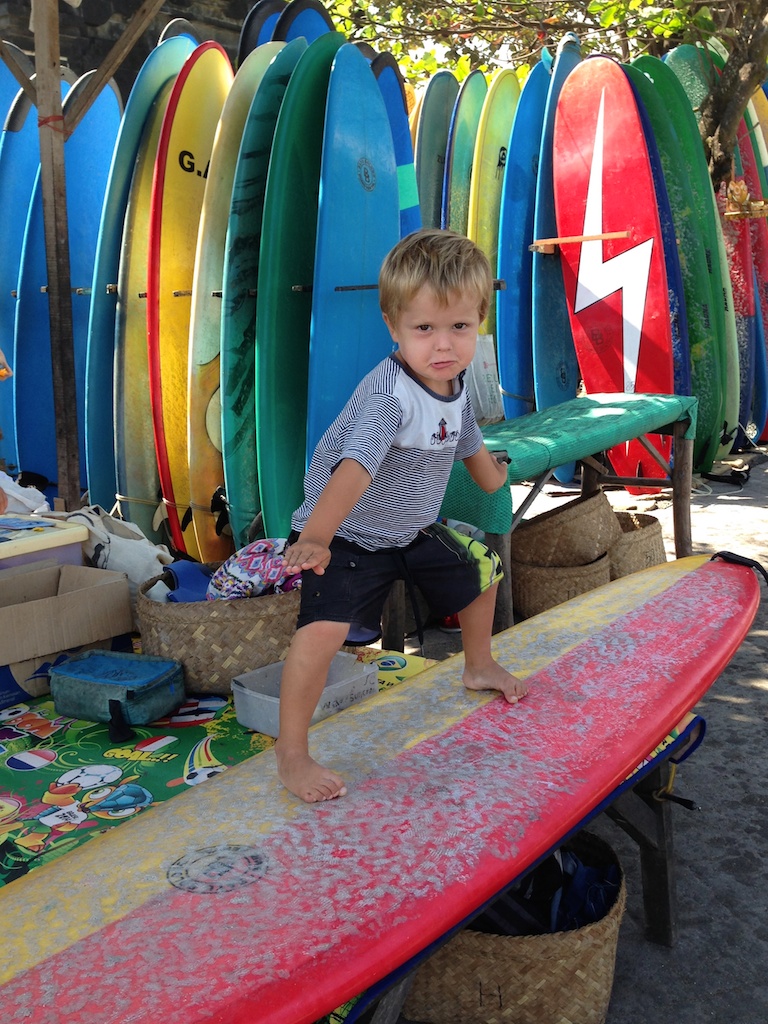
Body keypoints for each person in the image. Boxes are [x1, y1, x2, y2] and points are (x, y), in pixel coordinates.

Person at [277, 228, 527, 803]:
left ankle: (478, 664)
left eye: (459, 327)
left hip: (406, 531)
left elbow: (468, 441)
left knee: (482, 568)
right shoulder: (391, 396)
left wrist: (493, 475)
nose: (443, 346)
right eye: (424, 329)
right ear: (393, 327)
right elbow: (355, 468)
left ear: (479, 323)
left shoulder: (454, 381)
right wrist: (316, 536)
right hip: (343, 533)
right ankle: (292, 751)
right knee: (324, 632)